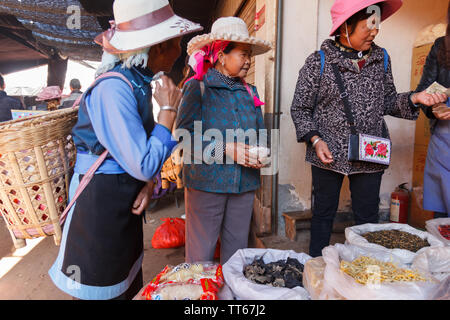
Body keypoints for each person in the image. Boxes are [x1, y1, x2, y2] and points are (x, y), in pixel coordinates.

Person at [48, 0, 202, 300]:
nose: (178, 51)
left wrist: (145, 183)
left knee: (127, 282)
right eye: (175, 43)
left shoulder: (139, 83)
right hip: (100, 205)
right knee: (102, 284)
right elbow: (143, 161)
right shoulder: (113, 88)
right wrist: (168, 111)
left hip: (124, 195)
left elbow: (137, 157)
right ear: (156, 47)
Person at [290, 0, 447, 258]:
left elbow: (387, 102)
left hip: (370, 152)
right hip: (328, 153)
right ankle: (315, 269)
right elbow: (300, 109)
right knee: (323, 216)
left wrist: (415, 98)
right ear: (345, 27)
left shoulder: (381, 58)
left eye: (377, 25)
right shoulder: (318, 62)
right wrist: (316, 140)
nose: (374, 32)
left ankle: (366, 272)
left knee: (368, 220)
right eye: (368, 26)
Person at [176, 17, 272, 264]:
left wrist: (261, 154)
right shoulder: (197, 88)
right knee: (201, 256)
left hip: (244, 184)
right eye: (243, 54)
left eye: (249, 55)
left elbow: (260, 135)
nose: (248, 61)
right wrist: (226, 148)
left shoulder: (251, 91)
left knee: (237, 255)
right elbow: (184, 138)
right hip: (207, 184)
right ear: (221, 55)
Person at [415, 3, 450, 218]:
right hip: (444, 147)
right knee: (442, 224)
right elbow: (423, 92)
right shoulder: (441, 47)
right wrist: (434, 107)